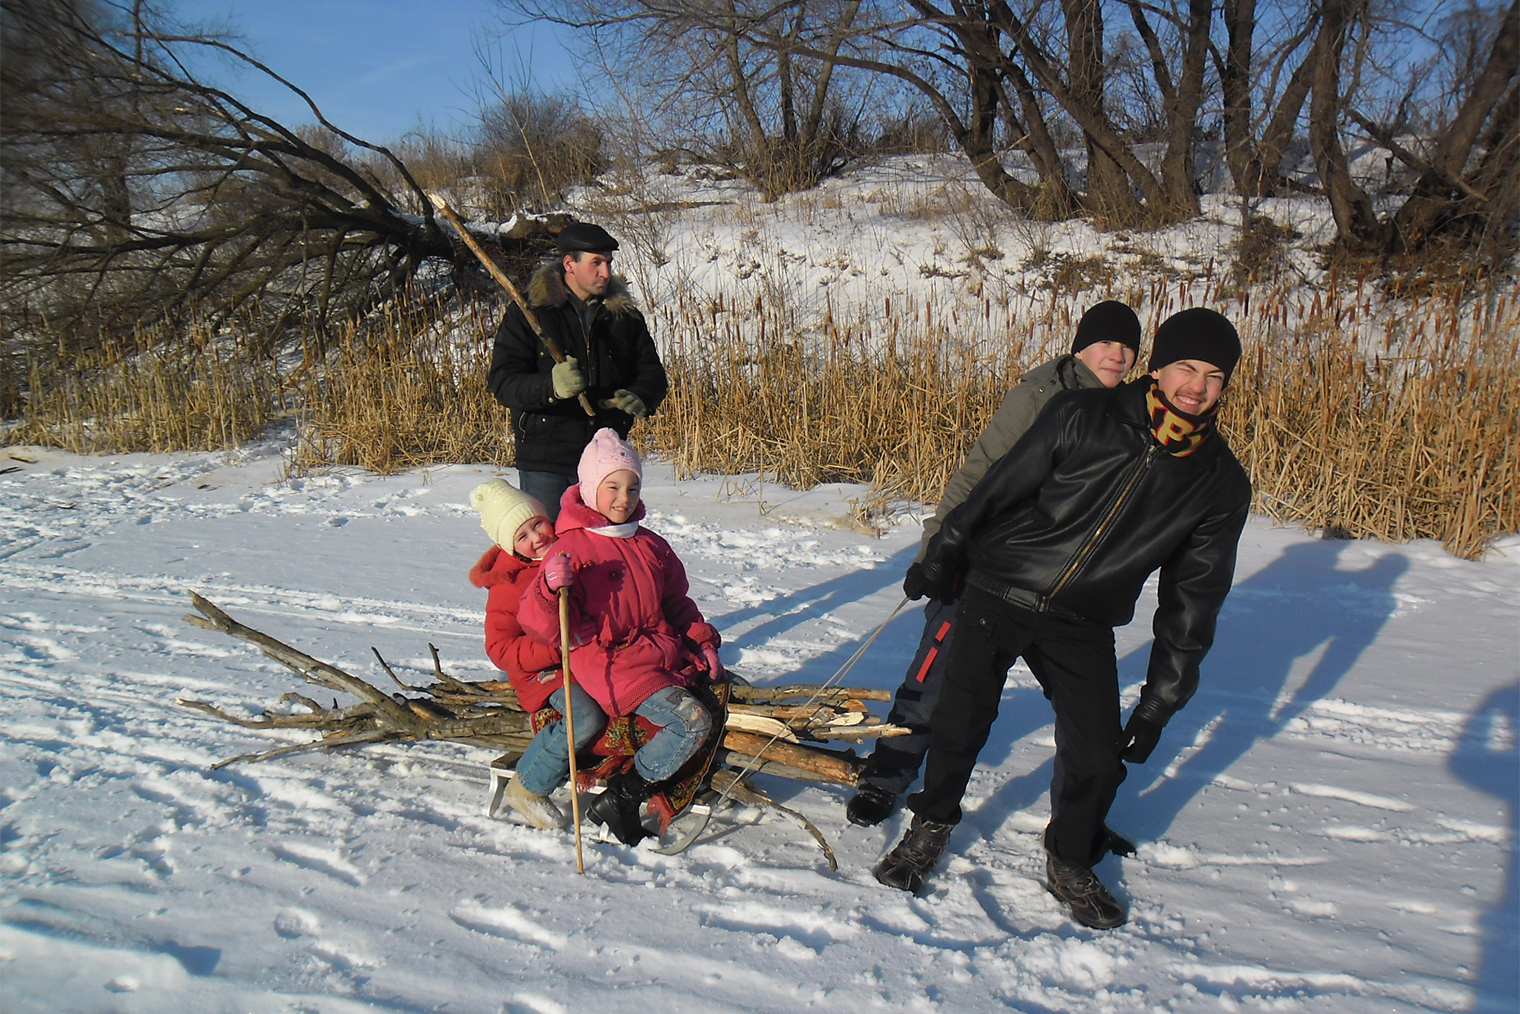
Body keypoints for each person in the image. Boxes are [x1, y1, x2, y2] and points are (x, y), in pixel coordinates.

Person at [873, 307, 1251, 932]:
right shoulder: (1082, 415)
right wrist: (942, 552)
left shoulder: (1218, 483)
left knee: (1099, 754)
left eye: (1214, 375)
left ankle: (1070, 857)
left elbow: (1193, 601)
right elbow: (995, 489)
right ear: (1157, 368)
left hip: (1082, 621)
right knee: (960, 723)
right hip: (1000, 590)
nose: (1196, 385)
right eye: (1185, 365)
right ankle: (930, 825)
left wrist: (1161, 701)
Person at [847, 300, 1142, 827]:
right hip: (990, 570)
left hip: (1066, 590)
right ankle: (887, 775)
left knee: (1088, 716)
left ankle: (1084, 822)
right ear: (1081, 346)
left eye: (1128, 347)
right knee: (936, 677)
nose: (1118, 356)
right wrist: (937, 548)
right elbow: (977, 472)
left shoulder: (1136, 415)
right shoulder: (1039, 397)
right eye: (1106, 343)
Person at [517, 428, 723, 846]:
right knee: (692, 721)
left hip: (660, 652)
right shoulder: (571, 548)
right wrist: (548, 590)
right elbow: (546, 625)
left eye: (632, 487)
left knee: (720, 692)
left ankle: (669, 783)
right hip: (612, 664)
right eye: (612, 487)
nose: (623, 499)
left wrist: (700, 639)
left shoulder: (650, 544)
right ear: (590, 489)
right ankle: (624, 797)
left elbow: (676, 601)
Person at [487, 222, 669, 520]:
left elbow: (652, 373)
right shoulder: (531, 312)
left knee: (603, 554)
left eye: (608, 262)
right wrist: (552, 388)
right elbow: (503, 382)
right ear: (569, 263)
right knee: (551, 552)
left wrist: (639, 396)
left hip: (605, 459)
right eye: (596, 263)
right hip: (547, 459)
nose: (606, 273)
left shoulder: (623, 316)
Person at [469, 479, 607, 829]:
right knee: (586, 716)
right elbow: (500, 648)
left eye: (538, 524)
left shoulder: (570, 551)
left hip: (585, 660)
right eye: (522, 536)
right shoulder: (508, 584)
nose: (536, 538)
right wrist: (556, 647)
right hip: (544, 676)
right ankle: (528, 785)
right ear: (508, 545)